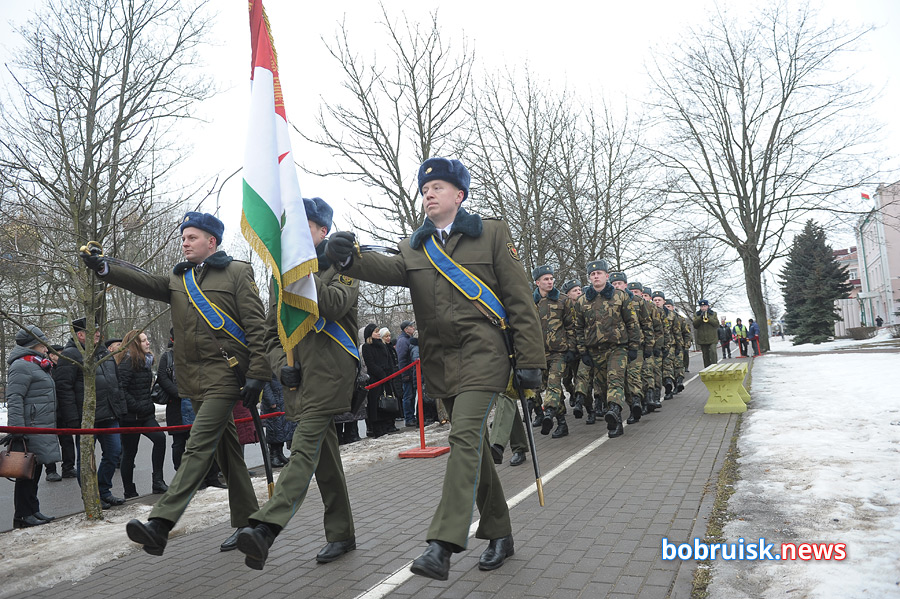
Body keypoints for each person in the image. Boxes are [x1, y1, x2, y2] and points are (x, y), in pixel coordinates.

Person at [325, 157, 545, 580]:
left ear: (459, 195)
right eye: (425, 190)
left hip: (485, 354)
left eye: (438, 188)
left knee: (463, 437)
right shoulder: (414, 246)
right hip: (442, 362)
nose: (428, 194)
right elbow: (386, 268)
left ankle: (443, 544)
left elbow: (519, 299)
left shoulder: (492, 234)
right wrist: (348, 257)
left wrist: (531, 360)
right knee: (474, 448)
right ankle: (500, 533)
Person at [81, 211, 268, 555]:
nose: (185, 243)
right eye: (183, 238)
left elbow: (257, 326)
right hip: (192, 379)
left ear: (211, 241)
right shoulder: (179, 278)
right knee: (228, 453)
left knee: (198, 445)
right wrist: (104, 267)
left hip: (226, 374)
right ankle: (249, 524)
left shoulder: (237, 272)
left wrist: (259, 372)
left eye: (192, 237)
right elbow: (143, 282)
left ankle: (161, 523)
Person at [236, 197, 359, 570]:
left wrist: (302, 269)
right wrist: (279, 367)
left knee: (302, 450)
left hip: (332, 375)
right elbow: (273, 335)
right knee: (325, 461)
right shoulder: (281, 275)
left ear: (323, 230)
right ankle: (342, 533)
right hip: (299, 380)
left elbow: (334, 304)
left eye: (305, 225)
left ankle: (266, 528)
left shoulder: (344, 264)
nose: (294, 232)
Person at [53, 317, 126, 509]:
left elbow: (116, 382)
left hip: (109, 414)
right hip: (86, 418)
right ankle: (91, 497)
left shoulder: (104, 352)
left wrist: (119, 408)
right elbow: (64, 389)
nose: (98, 333)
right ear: (80, 335)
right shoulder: (70, 356)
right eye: (94, 330)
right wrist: (73, 419)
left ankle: (104, 491)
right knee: (86, 460)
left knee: (114, 453)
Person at [574, 261, 641, 438]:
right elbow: (578, 328)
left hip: (617, 348)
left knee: (615, 380)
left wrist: (634, 347)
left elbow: (632, 322)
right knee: (603, 387)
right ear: (589, 277)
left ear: (606, 276)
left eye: (599, 273)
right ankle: (622, 412)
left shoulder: (620, 296)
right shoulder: (582, 301)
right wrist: (583, 351)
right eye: (593, 274)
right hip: (595, 351)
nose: (596, 276)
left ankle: (614, 415)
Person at [6, 325, 60, 528]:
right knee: (26, 472)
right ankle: (22, 515)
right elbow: (15, 399)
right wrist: (18, 431)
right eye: (42, 344)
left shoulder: (36, 364)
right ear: (32, 345)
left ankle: (32, 509)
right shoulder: (21, 365)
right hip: (31, 427)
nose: (46, 348)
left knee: (35, 471)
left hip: (41, 425)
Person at [116, 329, 168, 498]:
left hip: (145, 415)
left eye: (147, 339)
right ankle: (129, 490)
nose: (148, 343)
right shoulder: (126, 363)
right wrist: (137, 406)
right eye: (144, 340)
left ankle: (158, 481)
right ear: (135, 344)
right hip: (130, 417)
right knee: (129, 453)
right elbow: (122, 390)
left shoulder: (146, 362)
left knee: (160, 439)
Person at [532, 265, 576, 438]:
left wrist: (571, 348)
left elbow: (571, 326)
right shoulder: (530, 302)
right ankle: (560, 422)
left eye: (551, 278)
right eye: (546, 279)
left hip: (559, 352)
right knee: (541, 389)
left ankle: (550, 414)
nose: (550, 282)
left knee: (554, 384)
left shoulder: (563, 300)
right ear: (537, 282)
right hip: (538, 354)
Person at [156, 330, 187, 470]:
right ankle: (180, 470)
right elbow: (162, 378)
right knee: (179, 442)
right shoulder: (167, 357)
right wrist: (179, 393)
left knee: (197, 440)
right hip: (175, 404)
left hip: (194, 401)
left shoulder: (193, 353)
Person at [362, 324, 398, 437]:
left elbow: (389, 360)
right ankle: (377, 429)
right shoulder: (366, 347)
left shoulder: (383, 345)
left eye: (378, 331)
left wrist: (390, 374)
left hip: (387, 379)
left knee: (387, 403)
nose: (378, 333)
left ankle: (387, 426)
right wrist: (382, 374)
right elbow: (370, 364)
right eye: (375, 331)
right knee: (376, 405)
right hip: (376, 380)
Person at [395, 320, 417, 427]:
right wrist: (405, 374)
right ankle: (409, 418)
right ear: (406, 329)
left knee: (411, 396)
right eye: (411, 327)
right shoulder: (403, 341)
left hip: (411, 372)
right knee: (408, 396)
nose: (413, 328)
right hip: (407, 373)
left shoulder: (408, 339)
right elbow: (402, 359)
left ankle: (411, 416)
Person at [692, 299, 720, 368]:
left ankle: (714, 367)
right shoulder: (696, 315)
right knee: (705, 355)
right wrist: (700, 318)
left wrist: (709, 319)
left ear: (708, 306)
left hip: (712, 338)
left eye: (704, 306)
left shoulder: (713, 314)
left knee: (713, 352)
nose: (703, 308)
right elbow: (695, 325)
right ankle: (707, 368)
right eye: (702, 306)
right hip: (702, 339)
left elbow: (716, 324)